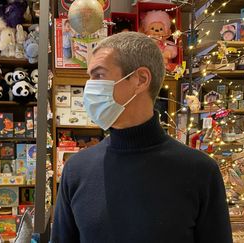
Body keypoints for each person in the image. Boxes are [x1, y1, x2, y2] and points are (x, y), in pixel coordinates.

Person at [52, 32, 232, 243]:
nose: (89, 87)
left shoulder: (200, 171)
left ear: (141, 79)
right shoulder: (77, 169)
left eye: (99, 75)